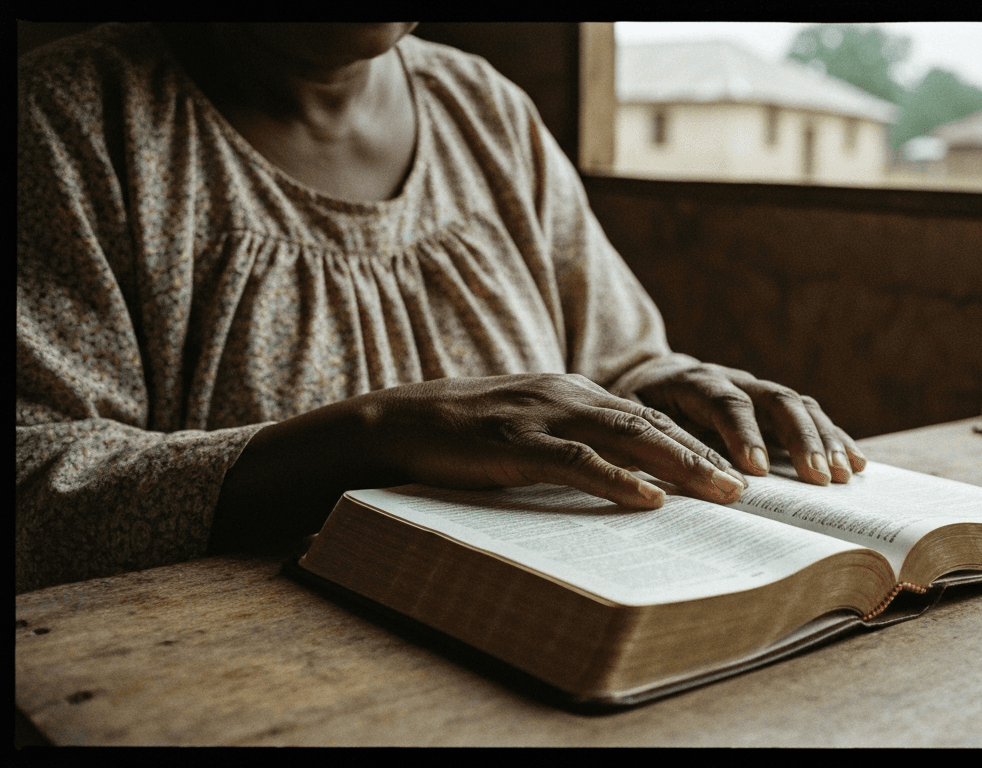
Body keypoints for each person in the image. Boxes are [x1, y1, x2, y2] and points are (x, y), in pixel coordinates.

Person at [16, 23, 867, 594]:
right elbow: (37, 485)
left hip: (538, 625)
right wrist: (373, 436)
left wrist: (674, 387)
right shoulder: (70, 123)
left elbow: (612, 360)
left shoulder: (484, 110)